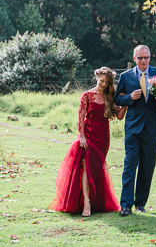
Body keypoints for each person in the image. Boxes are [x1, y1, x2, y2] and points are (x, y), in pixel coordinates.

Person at [50, 67, 126, 216]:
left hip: (103, 138)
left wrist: (127, 103)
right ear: (96, 77)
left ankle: (95, 200)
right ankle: (87, 203)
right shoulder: (87, 95)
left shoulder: (109, 96)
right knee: (86, 167)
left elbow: (119, 116)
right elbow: (81, 116)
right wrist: (82, 136)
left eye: (107, 82)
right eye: (102, 80)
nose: (103, 84)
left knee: (95, 169)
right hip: (88, 136)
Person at [114, 45, 156, 217]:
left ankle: (140, 204)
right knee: (130, 166)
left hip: (153, 128)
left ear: (150, 57)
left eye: (146, 57)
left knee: (147, 167)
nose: (143, 61)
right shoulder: (125, 76)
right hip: (133, 128)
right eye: (139, 58)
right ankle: (126, 205)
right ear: (134, 58)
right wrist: (129, 98)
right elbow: (117, 98)